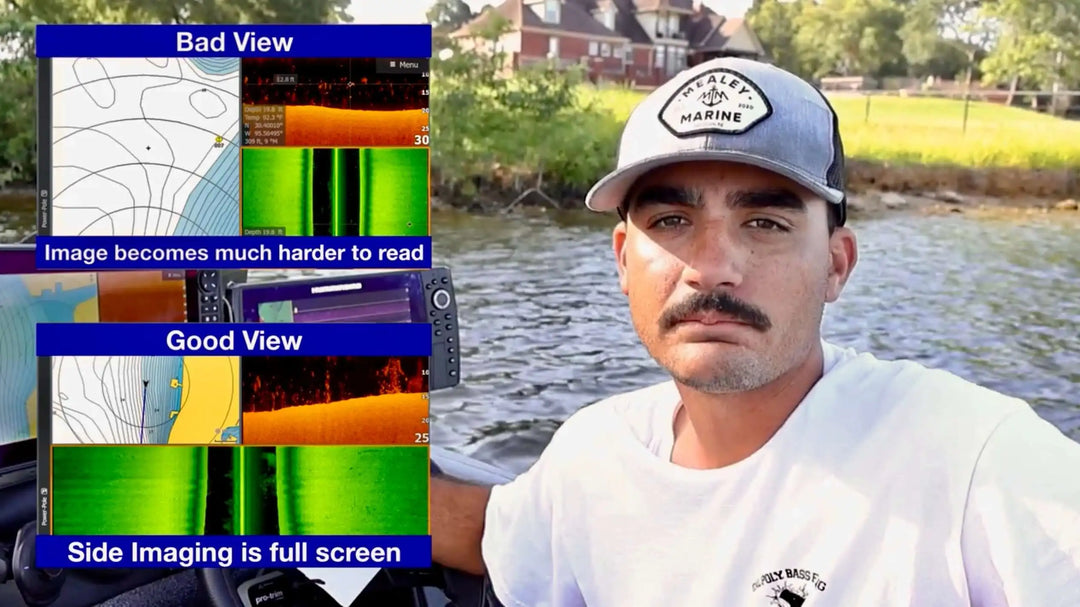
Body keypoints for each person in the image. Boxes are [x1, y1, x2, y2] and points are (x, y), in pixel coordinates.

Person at [430, 57, 1080, 606]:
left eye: (765, 223)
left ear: (836, 263)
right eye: (671, 221)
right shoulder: (593, 456)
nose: (712, 268)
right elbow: (491, 534)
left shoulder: (978, 461)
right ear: (624, 259)